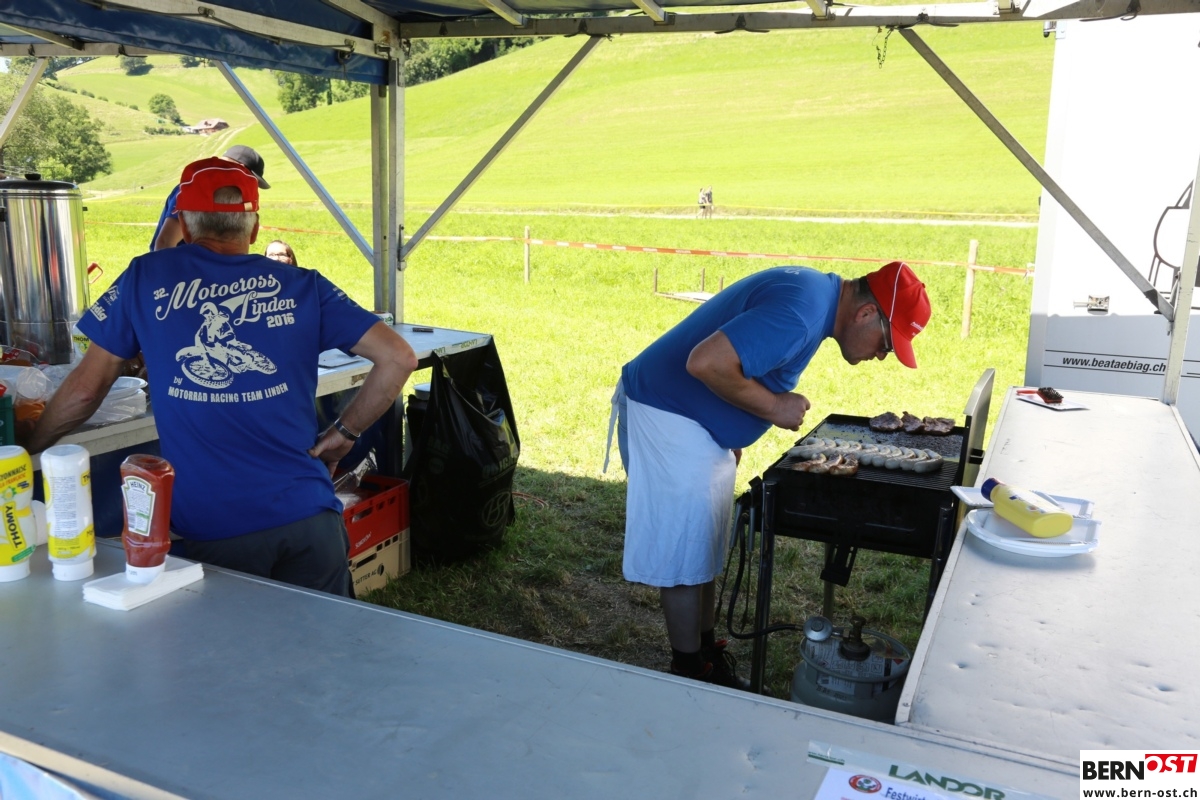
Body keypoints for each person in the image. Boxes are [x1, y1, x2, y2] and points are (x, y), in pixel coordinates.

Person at [29, 157, 418, 596]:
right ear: (254, 230)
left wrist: (28, 447)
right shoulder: (303, 284)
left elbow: (85, 391)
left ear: (185, 226)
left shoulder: (144, 276)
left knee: (229, 642)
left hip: (216, 528)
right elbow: (398, 357)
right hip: (308, 517)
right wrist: (346, 431)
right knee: (323, 640)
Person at [611, 261, 931, 689]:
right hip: (668, 411)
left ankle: (704, 653)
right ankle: (690, 671)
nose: (881, 355)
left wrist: (730, 424)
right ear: (866, 313)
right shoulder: (803, 313)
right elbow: (706, 362)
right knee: (685, 549)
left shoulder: (815, 298)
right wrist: (774, 407)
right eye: (887, 344)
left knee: (704, 541)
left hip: (692, 418)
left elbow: (737, 357)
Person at [150, 145, 270, 251]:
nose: (251, 187)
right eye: (250, 179)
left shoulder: (209, 189)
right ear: (240, 168)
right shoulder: (197, 189)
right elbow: (165, 242)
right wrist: (166, 268)